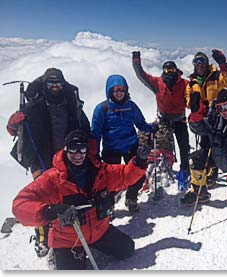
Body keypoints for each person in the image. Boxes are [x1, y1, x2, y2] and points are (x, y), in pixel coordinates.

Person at [12, 130, 150, 270]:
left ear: (87, 150)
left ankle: (90, 247)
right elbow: (20, 203)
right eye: (73, 149)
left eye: (81, 149)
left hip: (98, 231)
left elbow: (124, 176)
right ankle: (56, 254)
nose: (77, 154)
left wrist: (139, 161)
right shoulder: (53, 179)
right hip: (68, 240)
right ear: (66, 150)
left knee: (127, 249)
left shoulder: (100, 171)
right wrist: (47, 211)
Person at [6, 68, 90, 257]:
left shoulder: (71, 104)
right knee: (44, 199)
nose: (55, 87)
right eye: (51, 83)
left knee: (68, 194)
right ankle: (42, 238)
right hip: (40, 159)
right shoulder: (33, 105)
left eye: (58, 83)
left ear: (63, 84)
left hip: (67, 157)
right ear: (44, 84)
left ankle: (67, 234)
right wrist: (12, 123)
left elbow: (84, 127)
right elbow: (15, 131)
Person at [91, 74, 155, 213]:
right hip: (111, 149)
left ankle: (131, 198)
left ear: (126, 90)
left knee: (138, 174)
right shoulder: (102, 109)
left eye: (122, 90)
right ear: (110, 91)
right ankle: (109, 205)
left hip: (131, 146)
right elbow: (95, 134)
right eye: (116, 90)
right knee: (109, 180)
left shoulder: (131, 106)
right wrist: (93, 153)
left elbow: (140, 124)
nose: (119, 93)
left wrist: (151, 128)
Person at [132, 51, 191, 190]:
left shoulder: (184, 83)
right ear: (163, 71)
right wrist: (136, 61)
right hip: (164, 120)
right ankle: (154, 168)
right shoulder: (157, 83)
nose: (169, 72)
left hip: (180, 120)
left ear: (177, 71)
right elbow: (141, 75)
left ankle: (184, 170)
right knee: (159, 145)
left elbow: (196, 90)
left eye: (172, 70)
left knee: (184, 146)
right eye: (167, 70)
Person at [186, 50, 227, 187]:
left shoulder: (216, 76)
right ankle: (208, 169)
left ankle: (215, 169)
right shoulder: (192, 82)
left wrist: (223, 64)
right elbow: (187, 99)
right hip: (203, 117)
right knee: (205, 143)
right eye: (196, 62)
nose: (199, 65)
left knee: (218, 142)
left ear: (207, 63)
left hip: (220, 114)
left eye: (202, 61)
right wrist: (193, 105)